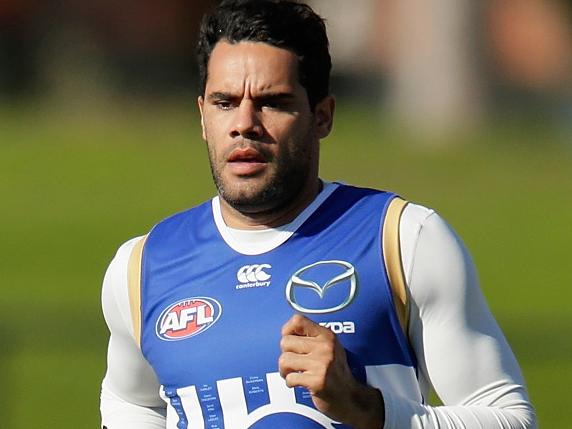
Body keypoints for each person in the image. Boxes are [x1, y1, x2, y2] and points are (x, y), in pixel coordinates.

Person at [99, 1, 537, 428]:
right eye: (225, 102)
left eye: (272, 102)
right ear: (202, 116)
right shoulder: (142, 269)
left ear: (322, 116)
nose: (244, 123)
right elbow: (131, 406)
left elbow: (511, 420)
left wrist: (368, 409)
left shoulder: (401, 240)